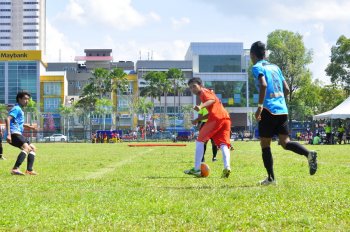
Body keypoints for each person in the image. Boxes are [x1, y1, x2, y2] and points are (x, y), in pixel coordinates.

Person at [250, 41, 317, 186]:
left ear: (252, 55)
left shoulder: (256, 67)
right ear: (265, 53)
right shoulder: (275, 67)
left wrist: (260, 106)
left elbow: (263, 85)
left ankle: (271, 178)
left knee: (265, 143)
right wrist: (279, 100)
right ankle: (308, 154)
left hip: (268, 109)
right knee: (285, 142)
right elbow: (286, 89)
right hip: (282, 109)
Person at [184, 77, 231, 178]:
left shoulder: (204, 92)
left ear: (200, 85)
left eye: (194, 86)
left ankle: (196, 169)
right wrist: (197, 120)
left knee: (200, 141)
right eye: (190, 88)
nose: (192, 89)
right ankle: (227, 167)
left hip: (216, 119)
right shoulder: (207, 92)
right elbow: (212, 110)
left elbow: (212, 100)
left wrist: (201, 107)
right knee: (224, 144)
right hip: (225, 118)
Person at [5, 91, 38, 175]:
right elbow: (8, 119)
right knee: (26, 148)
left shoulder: (20, 109)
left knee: (32, 148)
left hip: (17, 133)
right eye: (25, 99)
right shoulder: (16, 108)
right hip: (14, 133)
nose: (27, 101)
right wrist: (9, 134)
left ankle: (29, 170)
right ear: (19, 99)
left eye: (28, 99)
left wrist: (29, 127)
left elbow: (17, 122)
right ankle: (15, 169)